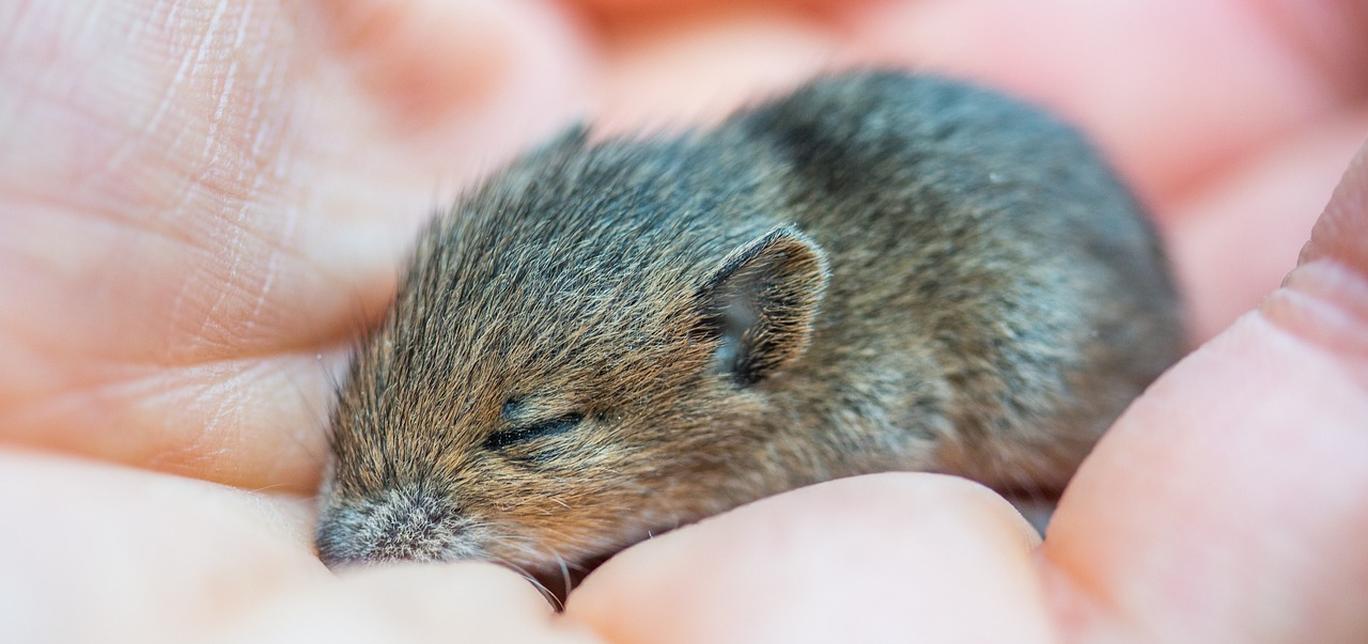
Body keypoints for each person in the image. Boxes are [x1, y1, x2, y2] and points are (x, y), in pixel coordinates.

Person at [1, 1, 1364, 641]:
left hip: (1028, 256)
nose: (359, 522)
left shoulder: (786, 362)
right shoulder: (587, 276)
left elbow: (882, 416)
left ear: (745, 342)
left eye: (524, 432)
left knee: (1023, 358)